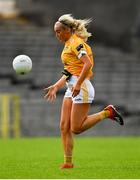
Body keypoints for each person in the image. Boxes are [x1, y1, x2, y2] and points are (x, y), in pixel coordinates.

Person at [44, 14, 124, 169]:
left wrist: (79, 84)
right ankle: (68, 163)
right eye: (55, 32)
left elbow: (87, 64)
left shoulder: (76, 43)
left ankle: (107, 112)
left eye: (59, 31)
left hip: (81, 87)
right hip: (71, 87)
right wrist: (55, 86)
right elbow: (69, 71)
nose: (57, 34)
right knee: (64, 126)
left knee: (76, 128)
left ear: (67, 30)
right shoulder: (67, 44)